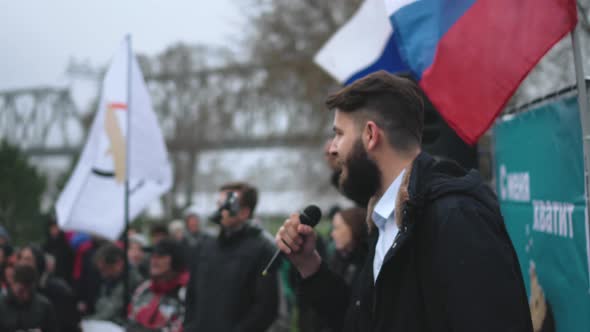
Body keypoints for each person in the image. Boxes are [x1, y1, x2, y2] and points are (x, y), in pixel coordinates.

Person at [275, 71, 533, 332]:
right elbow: (365, 322)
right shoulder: (387, 220)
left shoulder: (456, 216)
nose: (332, 149)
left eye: (339, 134)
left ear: (370, 135)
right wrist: (310, 265)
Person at [184, 182, 279, 331]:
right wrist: (190, 326)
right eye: (218, 204)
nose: (220, 210)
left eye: (226, 204)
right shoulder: (204, 247)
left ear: (244, 212)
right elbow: (191, 295)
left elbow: (266, 306)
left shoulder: (262, 250)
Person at [127, 238, 189, 332]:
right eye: (153, 255)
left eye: (160, 256)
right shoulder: (145, 287)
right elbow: (130, 319)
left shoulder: (186, 293)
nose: (154, 260)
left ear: (176, 260)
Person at [19, 245, 80, 332]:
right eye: (20, 258)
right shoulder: (20, 290)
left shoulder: (57, 289)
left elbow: (67, 324)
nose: (22, 263)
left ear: (38, 262)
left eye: (28, 259)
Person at [89, 242, 142, 324]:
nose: (103, 275)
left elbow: (111, 311)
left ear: (119, 264)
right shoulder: (110, 280)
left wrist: (88, 321)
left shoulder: (131, 281)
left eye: (105, 269)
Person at [0, 264, 57, 331]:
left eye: (29, 291)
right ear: (12, 284)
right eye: (21, 291)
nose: (26, 296)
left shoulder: (44, 306)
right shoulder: (1, 305)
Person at [328, 207, 368, 286]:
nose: (332, 234)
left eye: (337, 228)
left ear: (353, 227)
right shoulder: (338, 259)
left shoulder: (367, 260)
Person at [43, 218, 75, 285]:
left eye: (56, 227)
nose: (54, 230)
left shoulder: (66, 245)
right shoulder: (46, 246)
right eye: (52, 227)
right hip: (50, 279)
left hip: (64, 279)